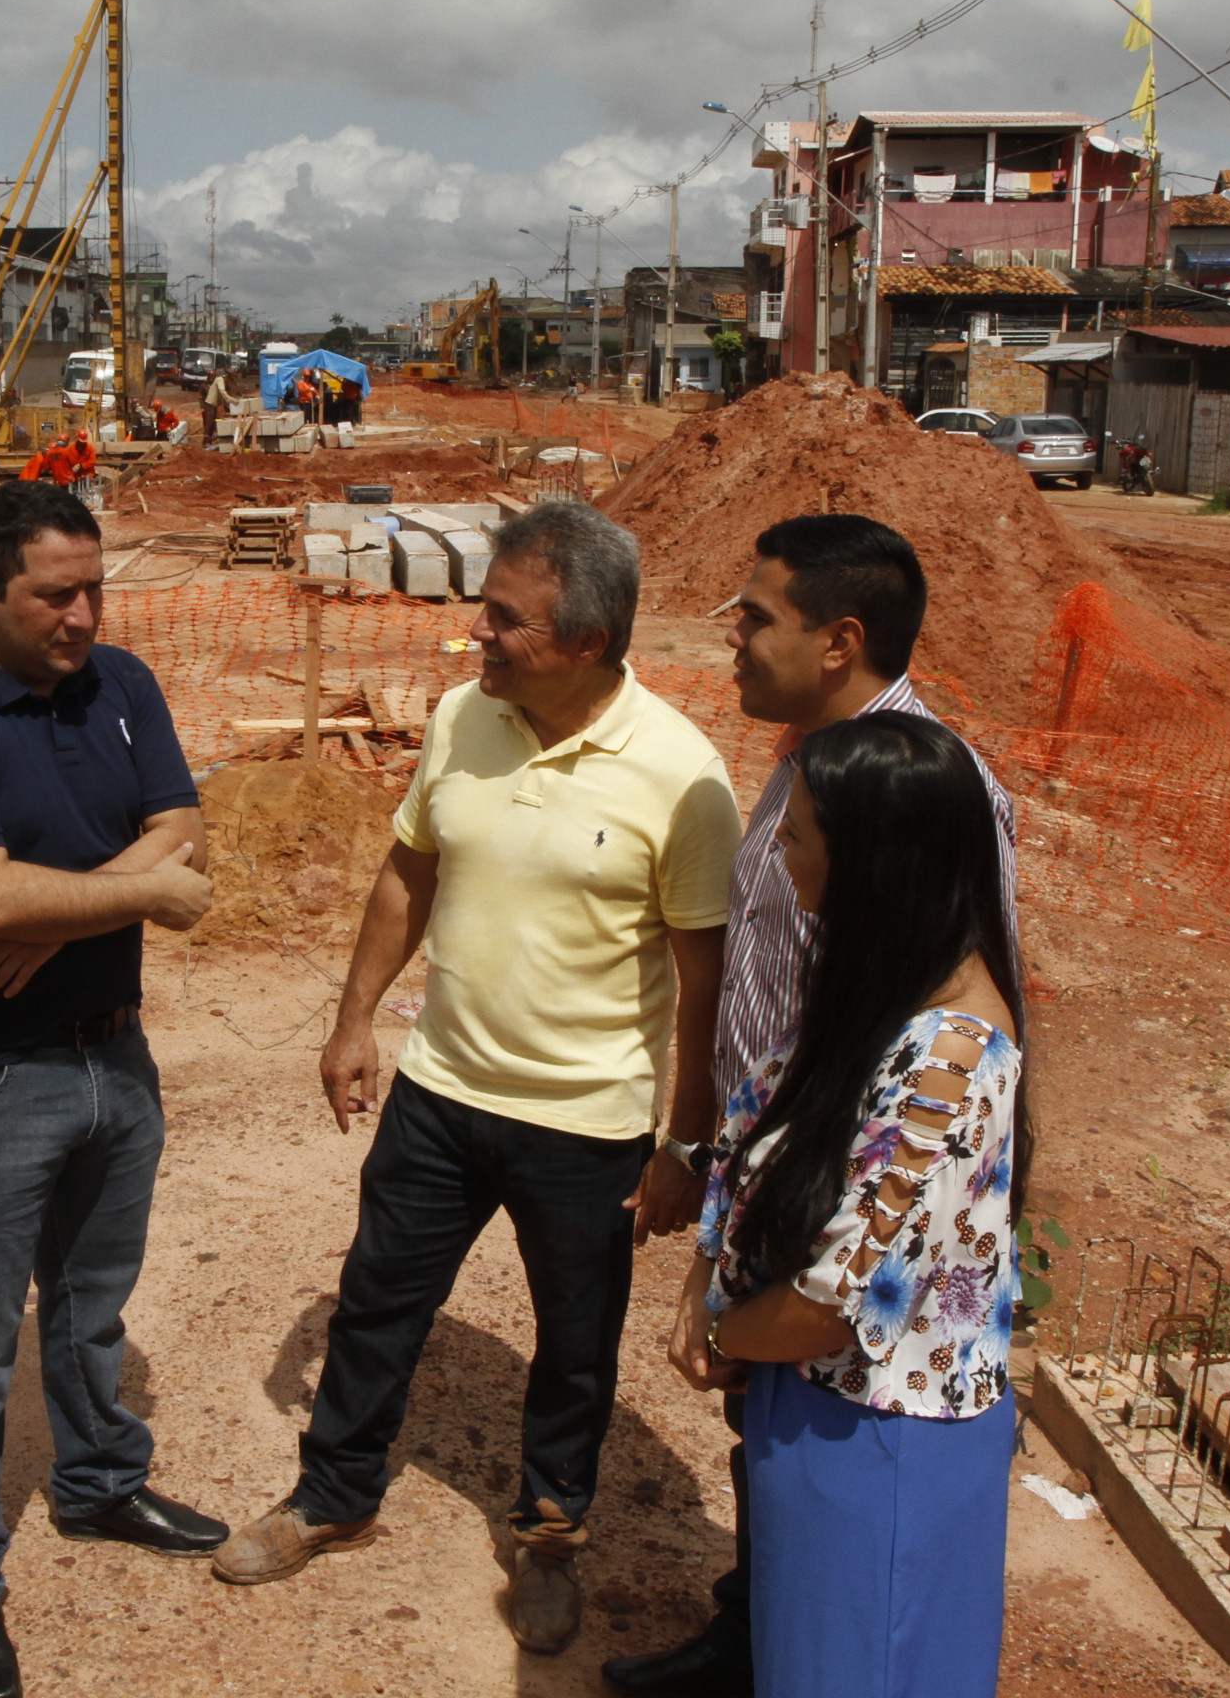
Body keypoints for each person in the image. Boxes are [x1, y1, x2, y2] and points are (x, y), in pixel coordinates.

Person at [211, 501, 743, 1658]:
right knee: (378, 1303)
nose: (475, 637)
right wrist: (354, 1020)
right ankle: (334, 1495)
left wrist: (684, 1147)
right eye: (481, 612)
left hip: (587, 1123)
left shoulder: (681, 774)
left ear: (589, 642)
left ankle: (551, 1532)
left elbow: (706, 987)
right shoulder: (464, 717)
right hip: (440, 1096)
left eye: (505, 620)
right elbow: (410, 867)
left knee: (574, 1344)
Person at [604, 513, 1019, 1698]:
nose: (729, 636)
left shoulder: (923, 797)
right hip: (797, 1250)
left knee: (862, 1628)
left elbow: (859, 1279)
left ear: (840, 640)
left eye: (755, 614)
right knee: (804, 1586)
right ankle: (757, 1644)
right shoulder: (810, 758)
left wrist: (728, 1323)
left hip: (857, 1321)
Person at [0, 480, 224, 1698]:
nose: (82, 617)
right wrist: (122, 896)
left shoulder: (121, 685)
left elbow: (182, 821)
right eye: (54, 595)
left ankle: (98, 1486)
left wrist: (58, 914)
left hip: (111, 1055)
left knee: (90, 1306)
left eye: (95, 589)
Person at [690, 709, 1029, 1698]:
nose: (780, 860)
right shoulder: (889, 987)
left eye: (796, 837)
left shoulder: (946, 1068)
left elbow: (828, 1305)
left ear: (873, 861)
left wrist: (721, 1329)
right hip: (822, 1413)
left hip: (878, 1448)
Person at [202, 366, 230, 447]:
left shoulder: (220, 382)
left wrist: (223, 406)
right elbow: (222, 392)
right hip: (209, 404)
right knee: (209, 422)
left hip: (214, 405)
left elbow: (220, 396)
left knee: (214, 422)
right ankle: (206, 442)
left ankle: (211, 440)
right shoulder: (215, 381)